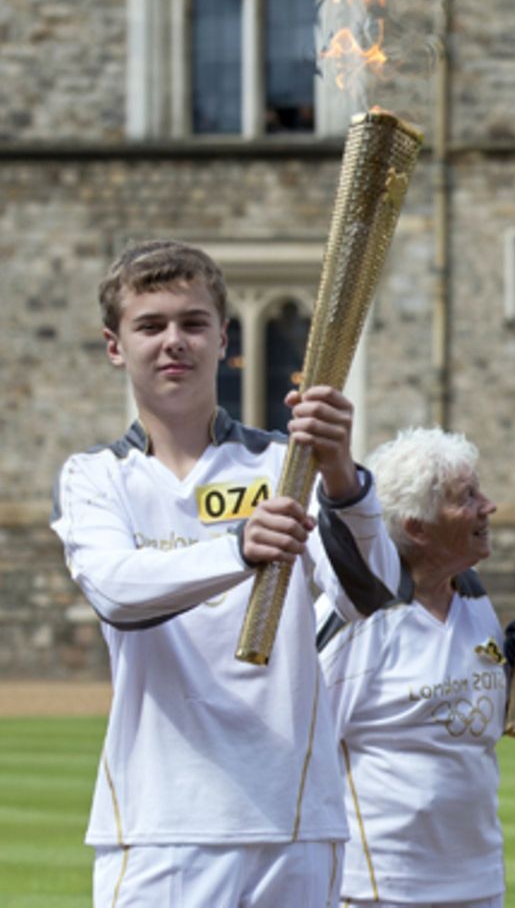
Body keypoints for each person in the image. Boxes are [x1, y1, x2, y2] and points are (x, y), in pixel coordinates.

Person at [50, 240, 399, 906]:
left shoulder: (283, 467)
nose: (173, 341)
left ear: (222, 338)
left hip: (293, 816)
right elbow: (116, 591)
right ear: (115, 346)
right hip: (159, 824)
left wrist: (342, 475)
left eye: (192, 323)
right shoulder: (96, 477)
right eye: (150, 326)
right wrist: (237, 550)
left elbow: (369, 592)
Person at [317, 427, 515, 907]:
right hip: (379, 888)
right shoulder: (359, 616)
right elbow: (303, 745)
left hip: (477, 880)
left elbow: (493, 718)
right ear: (417, 526)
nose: (488, 506)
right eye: (467, 497)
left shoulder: (471, 595)